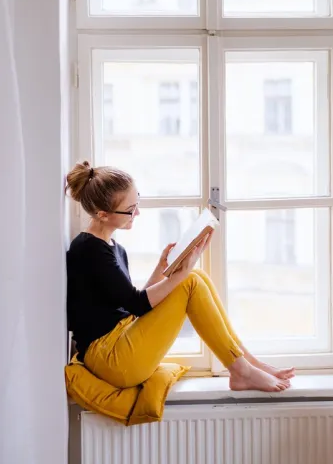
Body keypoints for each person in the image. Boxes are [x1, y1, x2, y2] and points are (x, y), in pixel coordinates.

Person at [65, 160, 294, 392]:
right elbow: (137, 304)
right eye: (131, 209)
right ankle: (242, 371)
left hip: (118, 342)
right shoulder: (89, 249)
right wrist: (180, 274)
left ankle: (249, 364)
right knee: (190, 280)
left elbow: (128, 304)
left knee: (197, 276)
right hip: (110, 360)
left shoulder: (112, 247)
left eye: (138, 202)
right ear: (103, 215)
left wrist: (161, 269)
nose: (138, 212)